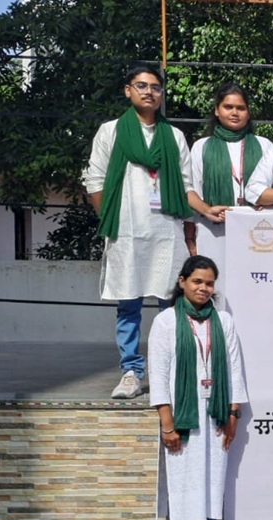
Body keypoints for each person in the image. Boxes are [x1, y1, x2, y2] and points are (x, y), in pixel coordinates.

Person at [83, 63, 205, 399]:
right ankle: (131, 372)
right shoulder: (111, 131)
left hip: (166, 230)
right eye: (142, 85)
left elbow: (186, 185)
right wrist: (111, 220)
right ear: (128, 90)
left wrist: (193, 229)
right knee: (128, 305)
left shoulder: (174, 136)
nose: (149, 92)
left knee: (171, 305)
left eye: (155, 87)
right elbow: (95, 180)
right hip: (126, 232)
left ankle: (171, 371)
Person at [148, 255, 247, 520]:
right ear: (182, 282)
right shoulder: (165, 322)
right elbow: (159, 376)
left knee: (211, 487)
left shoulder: (223, 321)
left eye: (209, 283)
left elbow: (234, 369)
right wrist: (167, 425)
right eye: (197, 281)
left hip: (215, 416)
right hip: (182, 418)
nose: (204, 288)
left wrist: (233, 414)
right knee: (181, 488)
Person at [188, 83, 273, 309]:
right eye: (228, 107)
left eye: (241, 108)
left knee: (255, 288)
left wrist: (267, 205)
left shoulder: (264, 146)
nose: (235, 113)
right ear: (217, 110)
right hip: (214, 230)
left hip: (256, 231)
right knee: (216, 287)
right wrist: (205, 213)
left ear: (248, 112)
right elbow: (192, 190)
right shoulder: (202, 147)